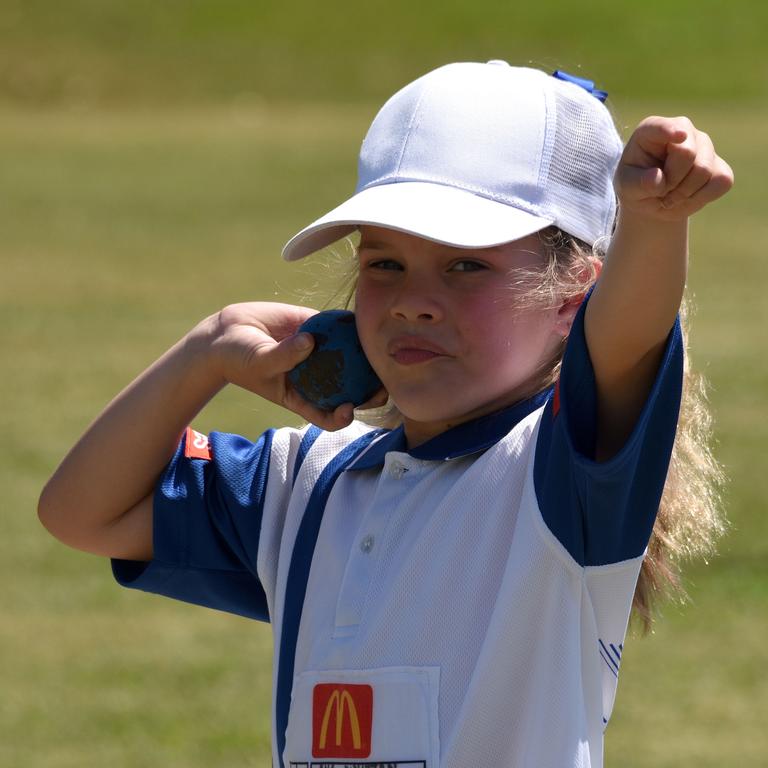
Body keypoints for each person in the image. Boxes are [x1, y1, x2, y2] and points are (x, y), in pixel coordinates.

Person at [38, 61, 733, 767]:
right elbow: (83, 514)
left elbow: (626, 337)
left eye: (465, 266)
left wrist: (653, 220)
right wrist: (206, 350)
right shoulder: (305, 482)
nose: (411, 301)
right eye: (384, 264)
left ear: (573, 297)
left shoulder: (564, 473)